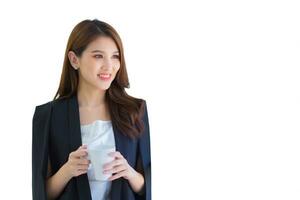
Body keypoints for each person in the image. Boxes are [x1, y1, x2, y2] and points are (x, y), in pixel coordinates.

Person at [32, 19, 151, 200]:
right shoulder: (48, 116)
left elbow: (147, 187)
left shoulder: (135, 111)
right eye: (98, 56)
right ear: (74, 60)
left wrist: (129, 172)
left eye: (115, 56)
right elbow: (41, 193)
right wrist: (67, 170)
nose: (109, 66)